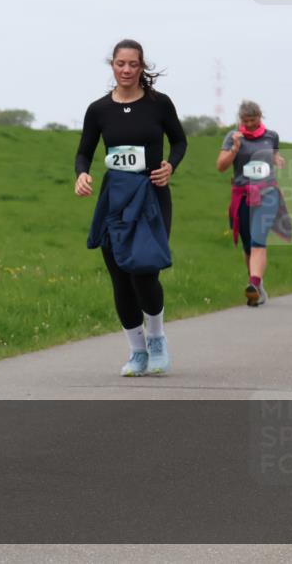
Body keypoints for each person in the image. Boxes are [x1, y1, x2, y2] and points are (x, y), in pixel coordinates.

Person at [75, 39, 187, 377]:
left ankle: (157, 340)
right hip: (116, 197)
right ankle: (136, 351)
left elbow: (180, 140)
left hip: (152, 195)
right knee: (120, 276)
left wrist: (170, 165)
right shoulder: (99, 110)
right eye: (120, 64)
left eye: (133, 64)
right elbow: (84, 151)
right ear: (112, 65)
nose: (126, 70)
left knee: (144, 269)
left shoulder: (159, 104)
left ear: (142, 67)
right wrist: (82, 174)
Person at [216, 100, 291, 306]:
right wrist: (234, 149)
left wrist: (277, 158)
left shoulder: (271, 136)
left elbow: (273, 153)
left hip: (268, 193)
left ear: (260, 117)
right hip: (242, 195)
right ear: (240, 119)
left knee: (259, 239)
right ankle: (258, 285)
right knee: (248, 244)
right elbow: (221, 166)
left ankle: (254, 285)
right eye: (245, 120)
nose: (249, 124)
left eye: (253, 119)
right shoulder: (232, 137)